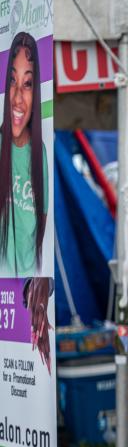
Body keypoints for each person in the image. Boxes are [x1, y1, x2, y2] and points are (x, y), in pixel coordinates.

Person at [0, 31, 48, 277]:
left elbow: (42, 228)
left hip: (27, 293)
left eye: (27, 83)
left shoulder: (40, 154)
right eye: (12, 81)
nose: (18, 97)